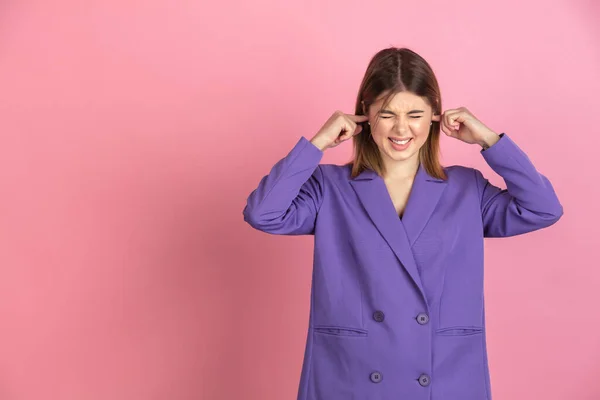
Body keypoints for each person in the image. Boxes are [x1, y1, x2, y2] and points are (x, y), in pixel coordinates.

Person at [242, 47, 563, 400]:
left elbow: (543, 208)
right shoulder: (329, 186)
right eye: (386, 114)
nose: (401, 128)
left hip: (445, 376)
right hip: (350, 376)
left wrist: (490, 140)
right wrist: (317, 144)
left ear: (434, 117)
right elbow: (264, 213)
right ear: (366, 114)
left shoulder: (467, 188)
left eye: (414, 114)